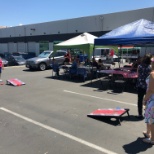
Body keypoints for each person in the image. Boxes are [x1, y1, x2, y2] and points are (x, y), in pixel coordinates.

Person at [142, 56, 154, 145]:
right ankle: (148, 133)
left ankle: (152, 139)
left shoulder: (152, 74)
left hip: (152, 99)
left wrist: (145, 99)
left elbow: (151, 90)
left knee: (152, 120)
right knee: (150, 118)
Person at [136, 54, 152, 119]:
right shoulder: (150, 67)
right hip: (148, 85)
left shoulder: (139, 66)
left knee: (140, 100)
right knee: (148, 100)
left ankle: (140, 114)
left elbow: (138, 74)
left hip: (140, 85)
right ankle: (148, 114)